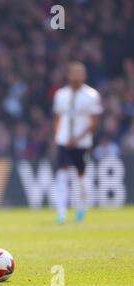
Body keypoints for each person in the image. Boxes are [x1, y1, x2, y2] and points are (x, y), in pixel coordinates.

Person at [53, 62, 102, 224]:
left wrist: (77, 138)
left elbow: (94, 121)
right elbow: (58, 117)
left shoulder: (92, 95)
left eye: (79, 73)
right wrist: (58, 136)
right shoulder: (61, 94)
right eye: (73, 73)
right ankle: (61, 212)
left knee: (81, 177)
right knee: (61, 175)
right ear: (68, 75)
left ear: (84, 75)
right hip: (63, 141)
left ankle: (81, 208)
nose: (76, 76)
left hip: (81, 143)